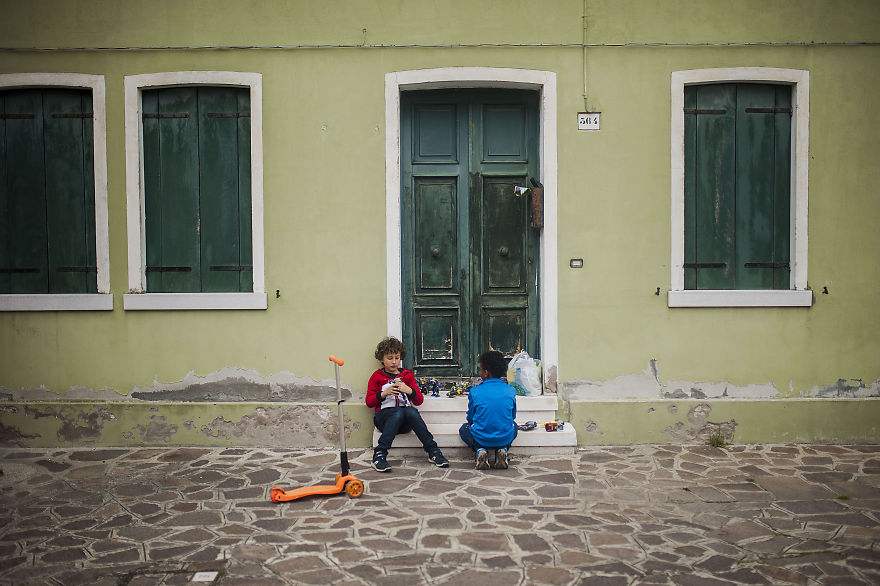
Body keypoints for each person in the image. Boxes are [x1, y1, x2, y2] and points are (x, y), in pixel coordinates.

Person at [365, 336, 449, 472]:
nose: (394, 362)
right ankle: (379, 454)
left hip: (404, 423)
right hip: (384, 420)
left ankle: (433, 451)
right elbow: (369, 402)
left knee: (411, 411)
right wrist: (384, 394)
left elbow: (419, 401)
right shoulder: (377, 376)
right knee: (397, 412)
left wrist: (409, 390)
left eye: (397, 357)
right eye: (389, 358)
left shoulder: (407, 375)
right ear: (381, 359)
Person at [459, 350, 518, 469]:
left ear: (485, 373)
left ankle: (479, 450)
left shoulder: (475, 391)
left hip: (481, 438)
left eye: (480, 369)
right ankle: (503, 449)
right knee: (515, 426)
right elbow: (512, 416)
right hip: (504, 436)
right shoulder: (510, 390)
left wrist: (472, 423)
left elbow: (470, 418)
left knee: (463, 429)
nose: (479, 372)